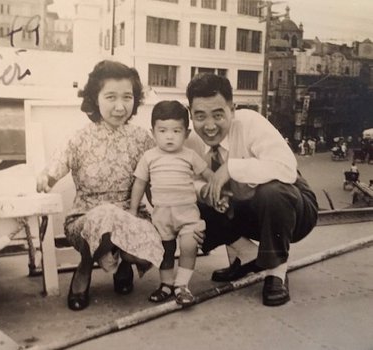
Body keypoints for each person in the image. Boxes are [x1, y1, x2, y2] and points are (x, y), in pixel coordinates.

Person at [37, 60, 164, 311]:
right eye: (111, 97)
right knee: (106, 214)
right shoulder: (80, 137)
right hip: (86, 221)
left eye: (127, 97)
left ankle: (124, 262)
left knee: (151, 232)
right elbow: (53, 170)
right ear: (95, 98)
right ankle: (85, 267)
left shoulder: (142, 138)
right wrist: (45, 179)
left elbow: (157, 178)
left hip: (131, 215)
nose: (120, 106)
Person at [184, 74, 318, 306]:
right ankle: (247, 257)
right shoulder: (191, 141)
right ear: (190, 113)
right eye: (200, 116)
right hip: (246, 211)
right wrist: (205, 190)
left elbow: (286, 169)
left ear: (232, 110)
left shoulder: (251, 122)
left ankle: (276, 273)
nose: (209, 126)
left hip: (294, 210)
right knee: (185, 201)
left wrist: (231, 168)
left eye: (218, 115)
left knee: (273, 190)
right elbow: (183, 183)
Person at [129, 100, 216, 306]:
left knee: (188, 245)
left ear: (186, 134)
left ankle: (182, 286)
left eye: (176, 131)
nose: (169, 136)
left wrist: (219, 189)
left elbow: (209, 174)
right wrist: (133, 209)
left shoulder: (190, 156)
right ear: (153, 132)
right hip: (162, 216)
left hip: (187, 214)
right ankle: (166, 285)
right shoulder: (149, 157)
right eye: (163, 130)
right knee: (165, 251)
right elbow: (139, 184)